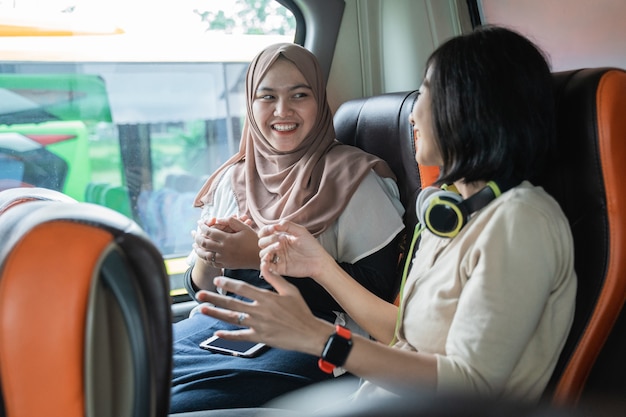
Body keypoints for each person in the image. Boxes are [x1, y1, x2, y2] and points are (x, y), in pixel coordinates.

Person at [195, 26, 577, 408]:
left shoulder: (521, 222)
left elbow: (470, 387)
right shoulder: (452, 213)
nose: (415, 112)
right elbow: (399, 335)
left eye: (427, 93)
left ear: (470, 107)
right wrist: (318, 265)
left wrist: (318, 337)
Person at [169, 43, 406, 412]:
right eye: (267, 97)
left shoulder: (355, 178)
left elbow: (375, 293)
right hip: (226, 323)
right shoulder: (233, 178)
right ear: (250, 104)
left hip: (318, 335)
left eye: (300, 95)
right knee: (127, 378)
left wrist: (258, 257)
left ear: (319, 101)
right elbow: (201, 287)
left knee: (185, 404)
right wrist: (208, 255)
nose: (283, 111)